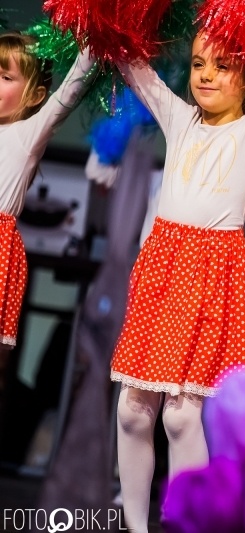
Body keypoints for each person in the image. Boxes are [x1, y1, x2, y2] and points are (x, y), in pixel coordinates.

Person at [109, 32, 245, 532]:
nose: (206, 74)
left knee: (182, 418)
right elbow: (131, 62)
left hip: (214, 274)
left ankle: (182, 522)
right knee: (132, 411)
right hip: (164, 271)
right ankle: (134, 524)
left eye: (223, 66)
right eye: (197, 64)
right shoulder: (181, 119)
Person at [0, 32, 93, 430]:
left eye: (6, 77)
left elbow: (74, 85)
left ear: (36, 95)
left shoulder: (26, 135)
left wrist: (97, 29)